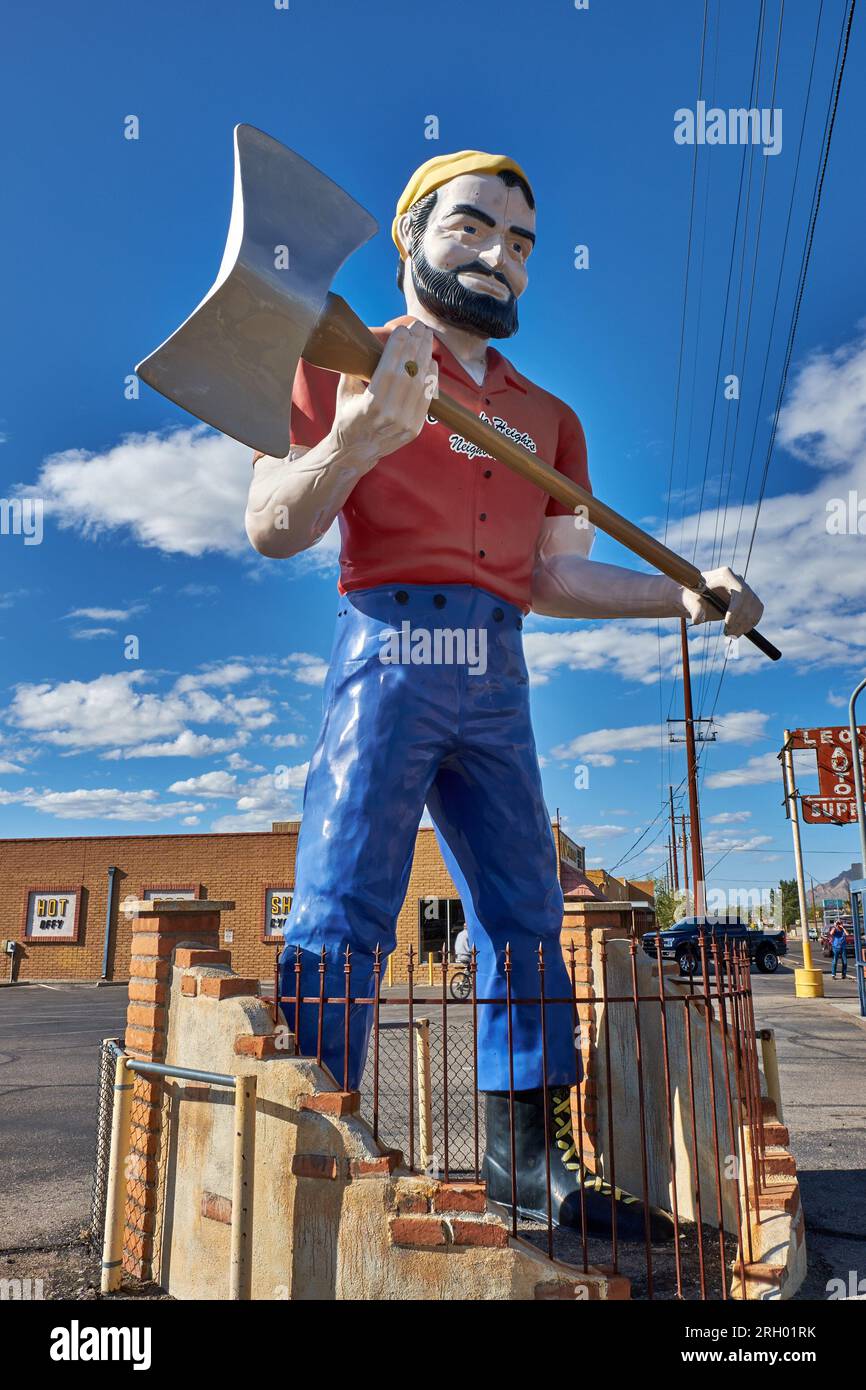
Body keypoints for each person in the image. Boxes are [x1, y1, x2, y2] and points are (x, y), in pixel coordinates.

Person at [245, 149, 763, 1237]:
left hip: (495, 666)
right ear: (408, 238)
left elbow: (549, 574)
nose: (498, 257)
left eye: (518, 242)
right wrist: (352, 436)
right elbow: (273, 525)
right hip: (385, 650)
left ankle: (527, 1160)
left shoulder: (548, 418)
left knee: (526, 908)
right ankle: (315, 1157)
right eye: (470, 228)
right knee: (342, 905)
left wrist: (681, 596)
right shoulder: (337, 359)